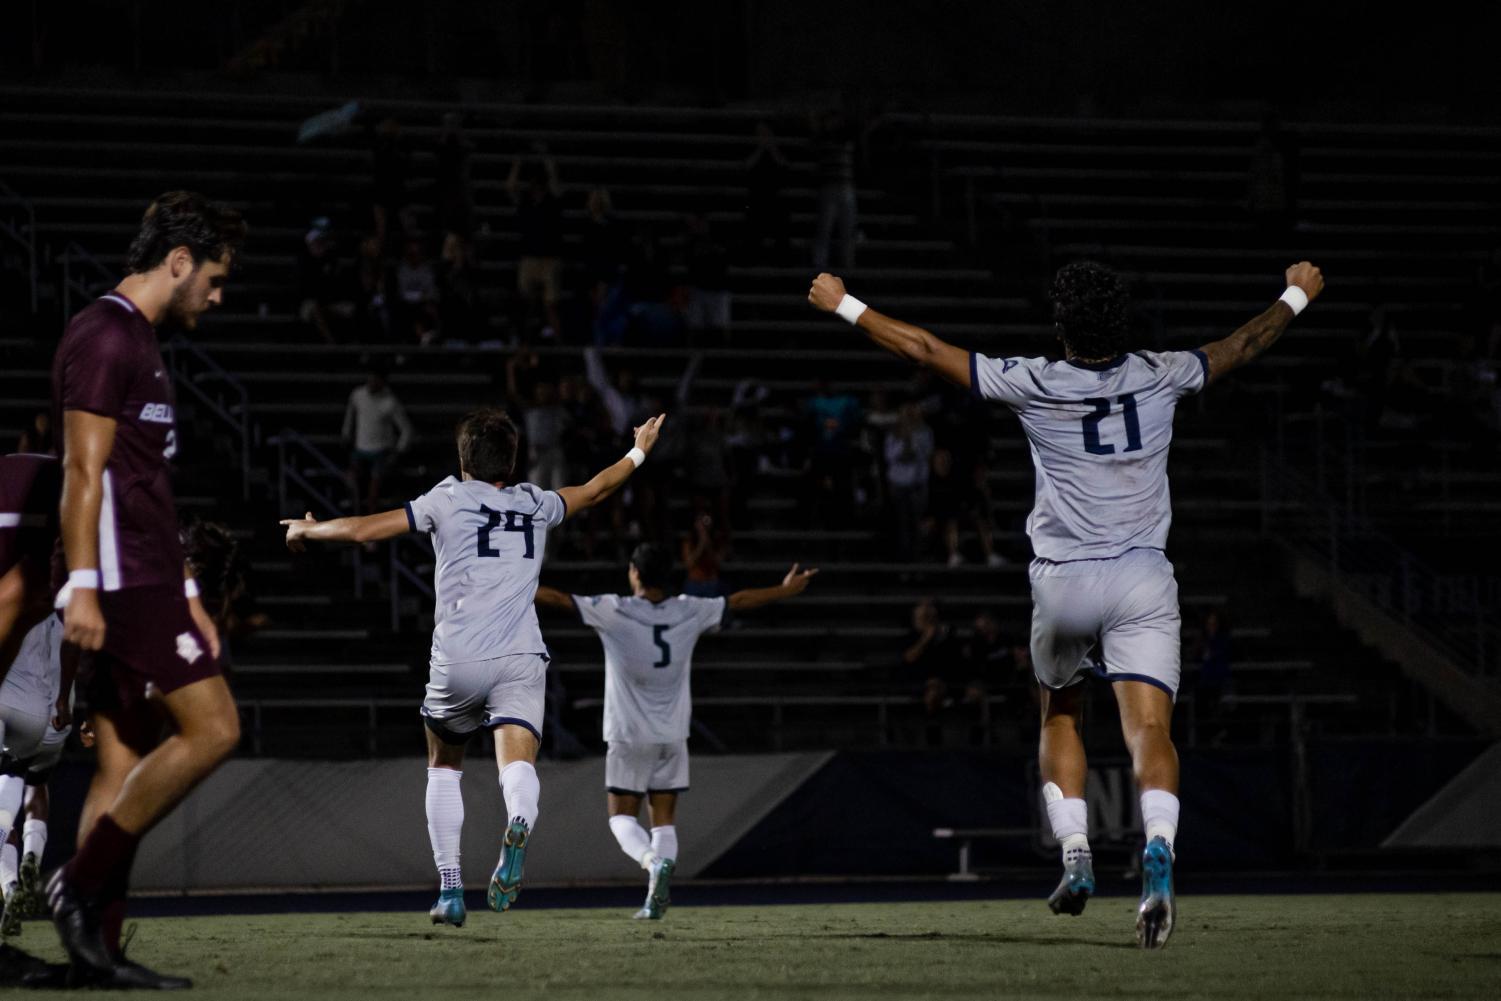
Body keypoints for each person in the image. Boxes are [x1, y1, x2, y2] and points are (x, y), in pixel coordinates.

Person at [809, 257, 1325, 949]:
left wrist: (844, 304)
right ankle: (1159, 847)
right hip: (1142, 578)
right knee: (1149, 732)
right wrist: (1295, 293)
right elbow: (1240, 345)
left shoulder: (1035, 381)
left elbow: (925, 349)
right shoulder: (1161, 372)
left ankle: (1076, 851)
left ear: (1061, 327)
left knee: (1060, 711)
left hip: (1064, 580)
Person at [281, 408, 667, 927]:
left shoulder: (448, 497)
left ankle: (451, 889)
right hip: (521, 655)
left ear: (463, 460)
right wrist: (639, 448)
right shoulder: (534, 502)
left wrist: (311, 530)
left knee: (443, 764)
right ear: (511, 462)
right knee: (518, 763)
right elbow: (597, 489)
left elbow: (365, 532)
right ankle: (518, 822)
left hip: (460, 656)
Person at [46, 191, 246, 988]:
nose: (218, 296)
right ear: (178, 262)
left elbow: (142, 482)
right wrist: (84, 588)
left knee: (120, 761)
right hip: (122, 576)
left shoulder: (140, 340)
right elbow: (81, 470)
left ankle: (99, 951)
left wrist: (192, 587)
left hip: (151, 571)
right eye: (215, 279)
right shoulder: (104, 333)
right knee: (216, 727)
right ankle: (80, 883)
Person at [534, 547, 816, 919]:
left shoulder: (613, 609)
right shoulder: (690, 609)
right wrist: (784, 590)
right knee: (663, 821)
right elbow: (740, 600)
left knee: (620, 819)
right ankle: (655, 899)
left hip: (628, 734)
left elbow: (556, 598)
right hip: (672, 735)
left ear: (634, 572)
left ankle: (651, 863)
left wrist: (511, 581)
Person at [343, 366, 415, 514]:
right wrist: (346, 434)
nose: (372, 383)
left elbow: (406, 430)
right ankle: (356, 516)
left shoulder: (390, 402)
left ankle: (371, 526)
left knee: (373, 495)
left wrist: (398, 451)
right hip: (360, 450)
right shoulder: (357, 395)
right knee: (352, 481)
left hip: (381, 452)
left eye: (376, 380)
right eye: (370, 379)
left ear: (382, 382)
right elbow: (349, 418)